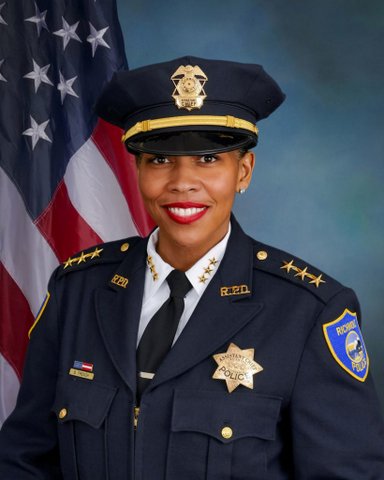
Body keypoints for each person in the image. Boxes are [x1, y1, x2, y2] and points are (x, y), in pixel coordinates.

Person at [0, 56, 383, 479]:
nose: (182, 181)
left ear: (244, 171)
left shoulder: (308, 312)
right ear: (138, 169)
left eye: (208, 159)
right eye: (160, 160)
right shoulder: (77, 290)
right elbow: (24, 460)